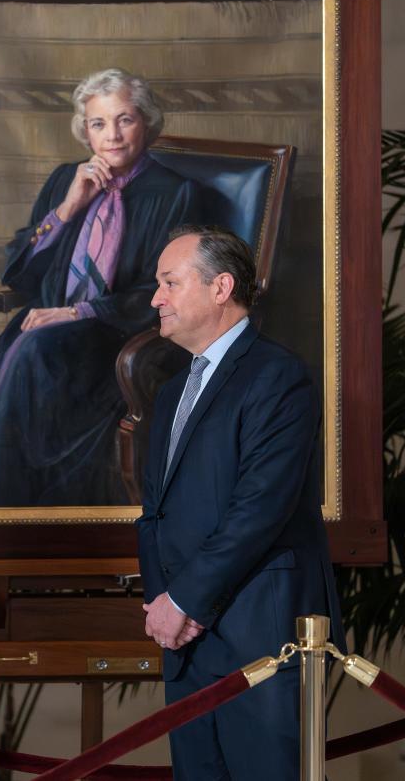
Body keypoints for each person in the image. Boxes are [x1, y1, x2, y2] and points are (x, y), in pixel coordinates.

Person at [136, 226, 343, 780]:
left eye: (170, 283)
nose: (156, 298)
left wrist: (184, 602)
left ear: (221, 286)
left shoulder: (279, 376)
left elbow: (260, 508)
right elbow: (153, 510)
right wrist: (164, 607)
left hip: (261, 632)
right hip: (184, 639)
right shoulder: (172, 389)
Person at [0, 67, 202, 507]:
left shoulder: (176, 193)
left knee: (33, 352)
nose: (111, 135)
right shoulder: (64, 179)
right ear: (85, 132)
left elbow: (166, 291)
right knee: (15, 357)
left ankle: (6, 516)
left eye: (124, 119)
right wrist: (69, 207)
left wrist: (77, 314)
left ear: (145, 122)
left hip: (112, 338)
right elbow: (18, 274)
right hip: (47, 327)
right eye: (98, 123)